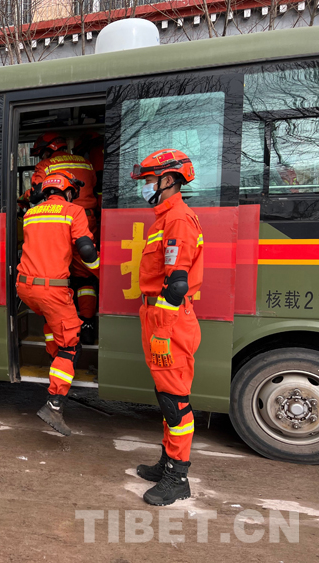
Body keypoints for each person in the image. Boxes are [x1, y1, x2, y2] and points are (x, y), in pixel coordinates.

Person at [131, 149, 204, 506]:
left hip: (169, 322)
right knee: (166, 397)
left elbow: (176, 285)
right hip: (158, 318)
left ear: (169, 180)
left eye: (149, 180)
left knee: (175, 402)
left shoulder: (177, 219)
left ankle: (178, 477)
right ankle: (167, 461)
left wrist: (161, 328)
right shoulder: (165, 218)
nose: (145, 187)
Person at [16, 171, 99, 436]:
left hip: (25, 288)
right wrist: (101, 270)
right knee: (70, 346)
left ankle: (57, 363)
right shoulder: (73, 211)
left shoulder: (31, 213)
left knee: (53, 326)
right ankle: (54, 404)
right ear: (69, 191)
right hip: (51, 290)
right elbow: (86, 250)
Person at [27, 133, 101, 343]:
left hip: (58, 218)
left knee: (55, 268)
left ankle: (58, 327)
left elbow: (35, 194)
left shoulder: (46, 165)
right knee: (84, 275)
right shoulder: (86, 162)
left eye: (41, 153)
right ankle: (87, 322)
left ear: (48, 150)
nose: (41, 157)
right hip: (87, 219)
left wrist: (26, 197)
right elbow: (97, 188)